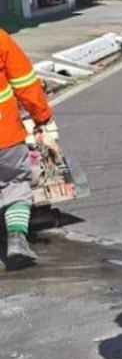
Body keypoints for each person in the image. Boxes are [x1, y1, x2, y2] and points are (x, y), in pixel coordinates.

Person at [0, 29, 52, 271]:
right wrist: (41, 117)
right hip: (5, 135)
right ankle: (17, 239)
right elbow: (25, 82)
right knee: (15, 183)